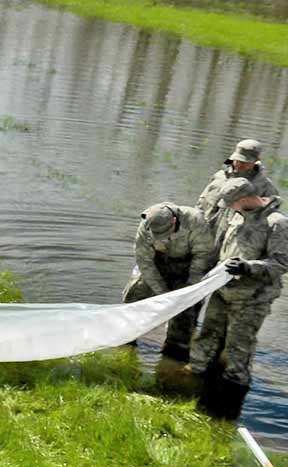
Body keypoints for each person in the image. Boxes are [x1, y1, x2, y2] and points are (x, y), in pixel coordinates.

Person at [190, 178, 288, 420]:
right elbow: (221, 247)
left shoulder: (276, 223)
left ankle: (230, 408)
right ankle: (193, 382)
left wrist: (247, 267)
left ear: (244, 199)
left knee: (238, 349)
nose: (229, 207)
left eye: (232, 203)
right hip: (223, 291)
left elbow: (281, 263)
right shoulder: (235, 215)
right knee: (207, 335)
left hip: (252, 299)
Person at [121, 202, 216, 361]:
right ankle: (125, 343)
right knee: (133, 296)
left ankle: (174, 352)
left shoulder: (195, 220)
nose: (162, 238)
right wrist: (163, 294)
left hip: (187, 267)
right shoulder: (147, 224)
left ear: (173, 221)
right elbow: (145, 262)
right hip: (158, 264)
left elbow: (202, 257)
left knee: (184, 310)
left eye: (165, 233)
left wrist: (189, 290)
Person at [197, 139, 279, 222]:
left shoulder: (264, 185)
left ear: (256, 161)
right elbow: (202, 201)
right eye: (237, 160)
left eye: (245, 162)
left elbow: (272, 212)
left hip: (235, 230)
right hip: (206, 226)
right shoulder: (220, 176)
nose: (239, 164)